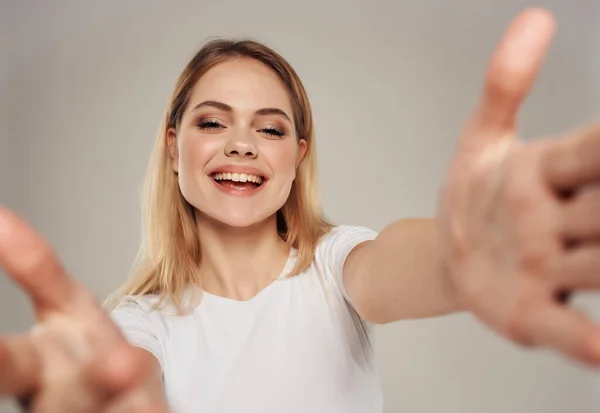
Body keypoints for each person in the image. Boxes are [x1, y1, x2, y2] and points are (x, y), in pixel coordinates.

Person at [1, 7, 599, 413]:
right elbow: (129, 381)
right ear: (173, 148)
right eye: (212, 122)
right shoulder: (140, 324)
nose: (242, 144)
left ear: (296, 159)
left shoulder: (337, 267)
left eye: (271, 128)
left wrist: (460, 254)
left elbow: (405, 266)